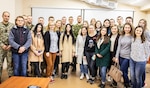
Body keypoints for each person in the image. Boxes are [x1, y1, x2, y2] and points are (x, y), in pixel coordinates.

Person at [115, 23, 133, 87]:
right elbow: (118, 47)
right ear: (124, 28)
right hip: (120, 56)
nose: (127, 29)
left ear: (131, 28)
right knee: (124, 71)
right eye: (126, 27)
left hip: (128, 57)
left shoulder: (132, 37)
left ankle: (127, 83)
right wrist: (116, 57)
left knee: (122, 70)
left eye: (128, 27)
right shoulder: (121, 36)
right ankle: (126, 83)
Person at [0, 11, 14, 83]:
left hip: (10, 48)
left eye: (8, 16)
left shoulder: (12, 25)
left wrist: (11, 45)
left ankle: (10, 79)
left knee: (10, 63)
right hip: (1, 48)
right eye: (5, 16)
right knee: (0, 64)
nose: (7, 17)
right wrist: (2, 45)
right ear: (2, 16)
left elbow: (15, 36)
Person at [138, 19, 150, 87]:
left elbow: (148, 44)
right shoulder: (138, 30)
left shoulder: (146, 32)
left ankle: (143, 83)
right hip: (138, 53)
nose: (141, 24)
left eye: (143, 23)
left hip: (144, 53)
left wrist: (147, 55)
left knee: (142, 70)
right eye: (140, 22)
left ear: (145, 24)